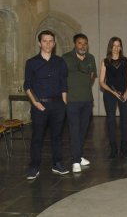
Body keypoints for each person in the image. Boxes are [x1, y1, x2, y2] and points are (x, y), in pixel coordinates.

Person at [24, 30, 69, 180]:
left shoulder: (60, 62)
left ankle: (57, 164)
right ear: (39, 43)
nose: (48, 44)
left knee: (57, 137)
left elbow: (64, 84)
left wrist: (64, 103)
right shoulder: (31, 63)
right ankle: (34, 166)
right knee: (37, 137)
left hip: (57, 104)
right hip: (40, 106)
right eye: (45, 41)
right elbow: (27, 86)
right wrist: (36, 103)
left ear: (54, 44)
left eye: (51, 41)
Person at [62, 33, 97, 173]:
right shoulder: (66, 58)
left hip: (87, 100)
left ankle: (79, 155)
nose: (82, 46)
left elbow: (92, 75)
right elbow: (61, 77)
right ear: (74, 44)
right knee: (74, 130)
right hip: (72, 100)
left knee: (83, 130)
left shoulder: (91, 58)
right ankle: (75, 161)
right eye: (80, 43)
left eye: (85, 43)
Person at [99, 37, 127, 158]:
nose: (116, 48)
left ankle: (124, 148)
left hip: (124, 94)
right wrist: (114, 93)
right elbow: (102, 82)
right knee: (111, 120)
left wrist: (126, 92)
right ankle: (113, 149)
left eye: (118, 45)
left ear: (121, 47)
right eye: (114, 45)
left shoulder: (126, 60)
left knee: (125, 120)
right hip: (110, 94)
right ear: (110, 47)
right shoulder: (105, 61)